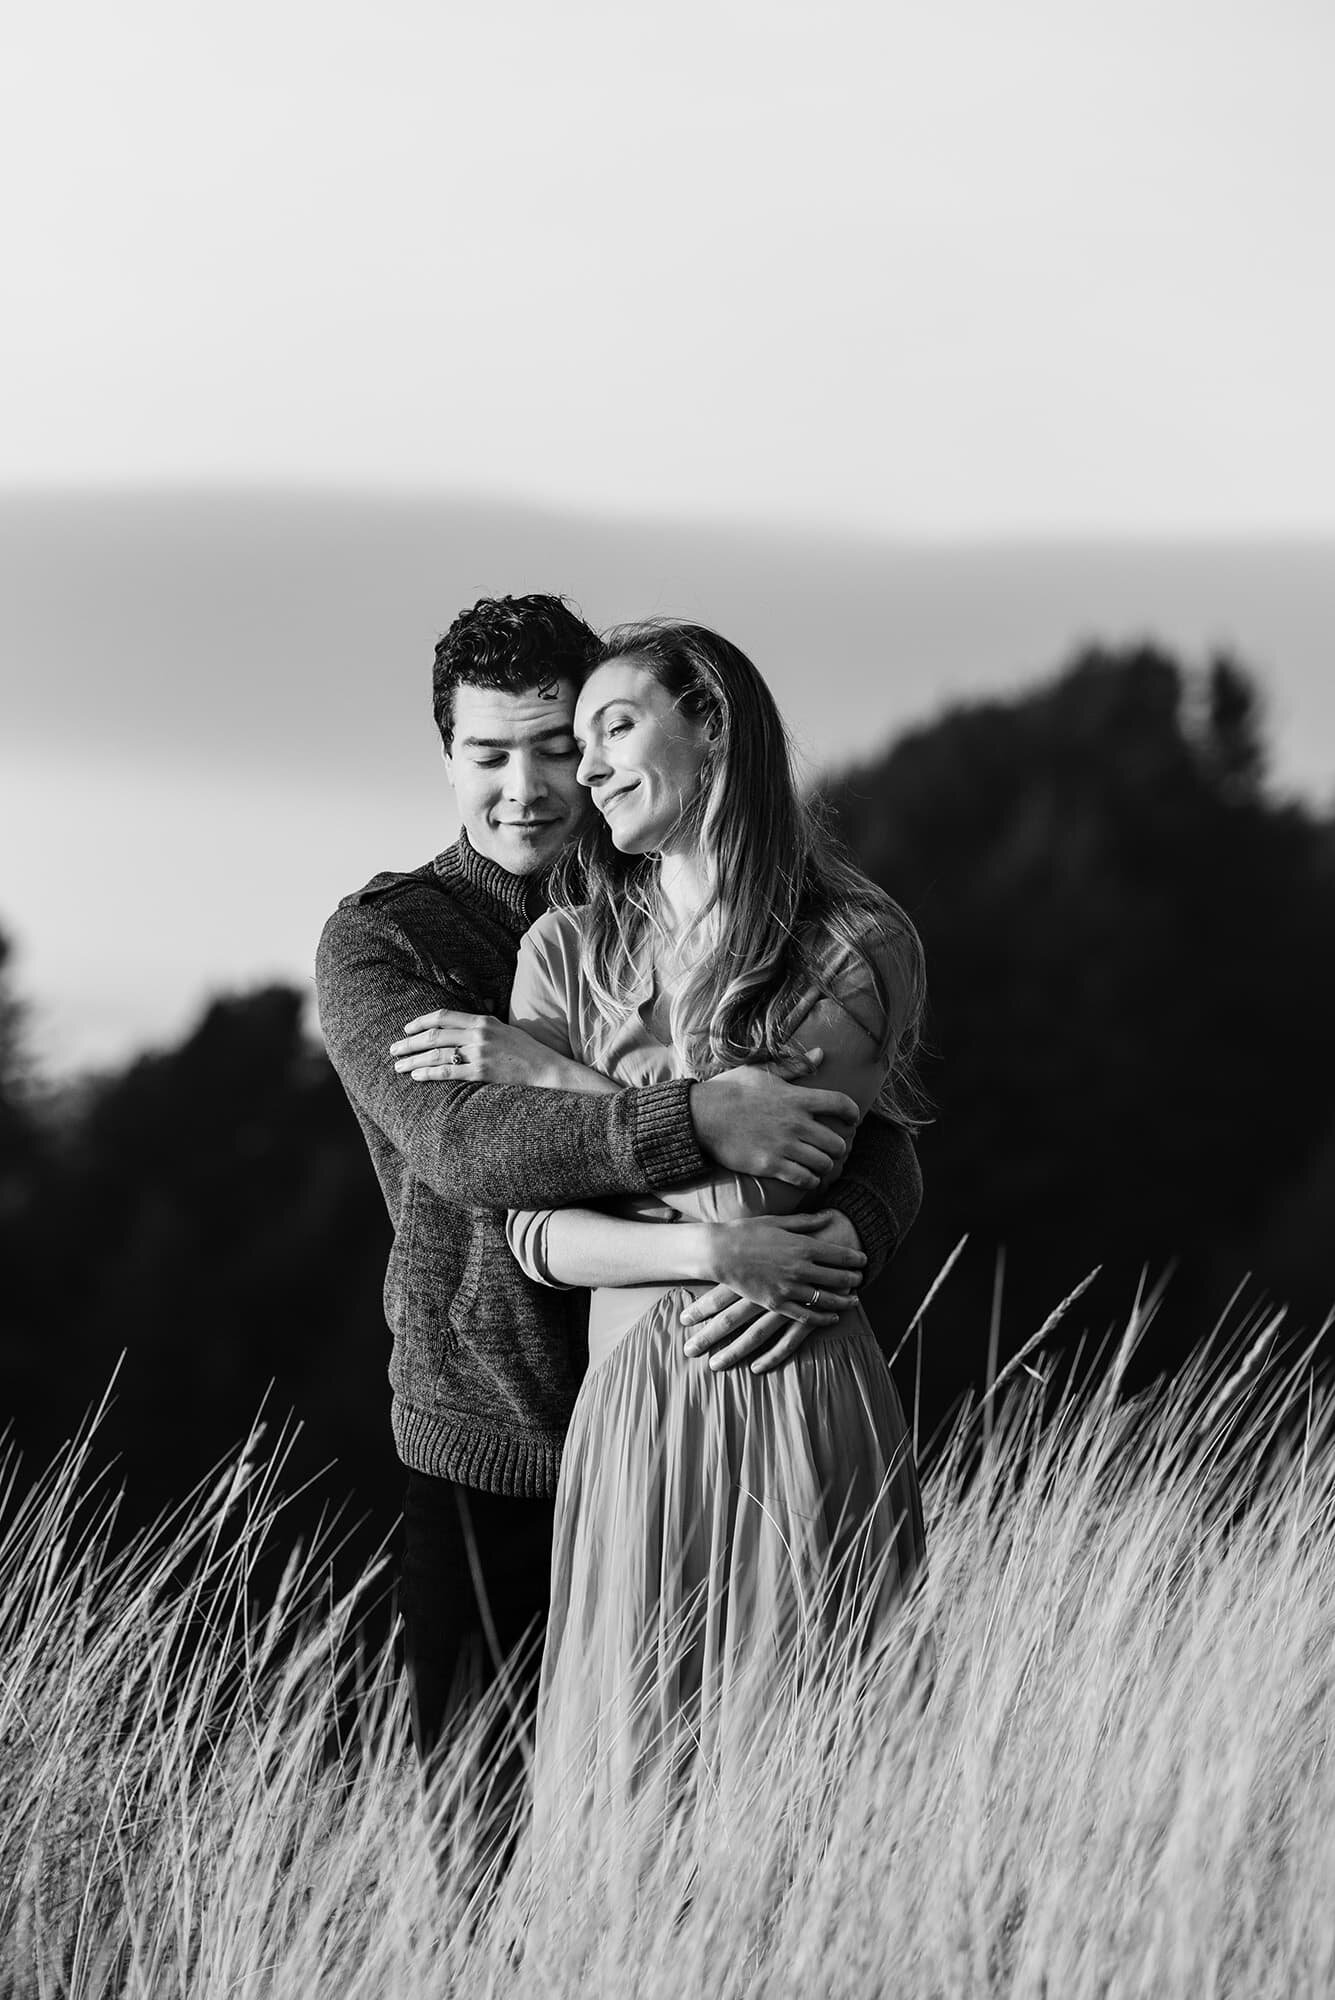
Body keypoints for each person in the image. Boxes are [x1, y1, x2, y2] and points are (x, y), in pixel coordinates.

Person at [314, 594, 924, 1777]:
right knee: (487, 1833)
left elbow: (874, 1141)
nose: (534, 786)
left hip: (724, 1374)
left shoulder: (694, 908)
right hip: (493, 1429)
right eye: (491, 755)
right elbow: (472, 1149)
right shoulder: (388, 943)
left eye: (560, 745)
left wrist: (834, 1232)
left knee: (762, 1768)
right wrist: (704, 1118)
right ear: (447, 756)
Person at [488, 619, 929, 1841]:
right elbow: (543, 1237)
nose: (587, 770)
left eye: (615, 727)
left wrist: (567, 1088)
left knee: (816, 1788)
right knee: (627, 1795)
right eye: (578, 746)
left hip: (793, 1381)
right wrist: (702, 1248)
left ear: (716, 725)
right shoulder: (563, 952)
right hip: (632, 1401)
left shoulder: (855, 941)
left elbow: (766, 1179)